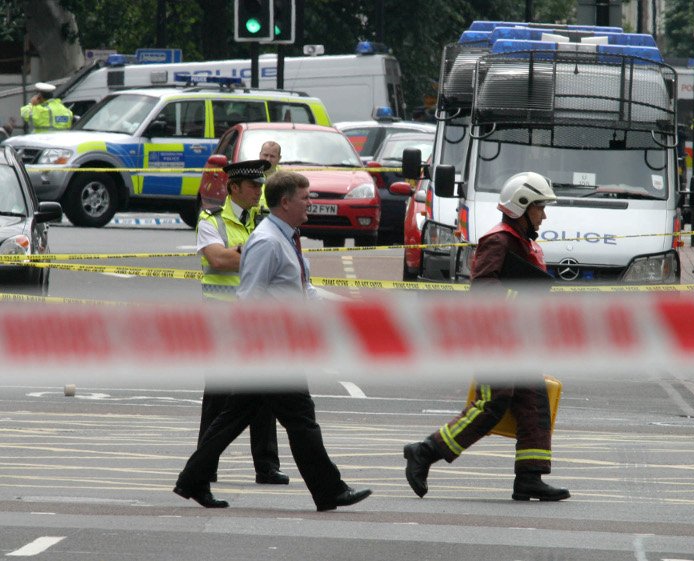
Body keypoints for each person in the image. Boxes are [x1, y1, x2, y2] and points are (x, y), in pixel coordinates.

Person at [174, 170, 372, 511]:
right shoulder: (267, 241)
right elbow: (249, 298)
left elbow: (303, 290)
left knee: (232, 418)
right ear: (285, 203)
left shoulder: (286, 238)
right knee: (301, 419)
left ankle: (192, 480)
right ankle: (329, 490)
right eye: (305, 198)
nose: (311, 203)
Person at [402, 171, 571, 502]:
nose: (544, 214)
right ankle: (424, 452)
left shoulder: (522, 242)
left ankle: (529, 478)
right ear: (522, 206)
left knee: (535, 403)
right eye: (540, 207)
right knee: (492, 403)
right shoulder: (499, 240)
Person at [195, 158, 289, 487]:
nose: (259, 191)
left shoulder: (264, 219)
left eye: (261, 186)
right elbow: (218, 260)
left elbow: (278, 257)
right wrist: (256, 252)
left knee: (263, 395)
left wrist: (242, 250)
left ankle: (266, 466)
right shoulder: (211, 220)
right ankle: (205, 466)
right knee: (219, 396)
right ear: (233, 188)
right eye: (253, 186)